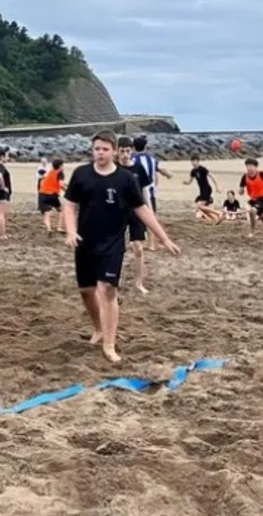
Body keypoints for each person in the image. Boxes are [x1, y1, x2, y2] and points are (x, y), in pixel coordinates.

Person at [63, 131, 180, 364]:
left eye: (105, 149)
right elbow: (69, 205)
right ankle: (98, 328)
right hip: (85, 241)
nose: (100, 153)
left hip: (112, 242)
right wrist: (71, 231)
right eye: (97, 149)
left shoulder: (125, 179)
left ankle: (109, 343)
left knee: (107, 289)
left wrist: (164, 238)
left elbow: (142, 209)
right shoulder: (81, 174)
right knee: (86, 290)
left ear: (114, 151)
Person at [116, 137, 151, 295]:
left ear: (132, 151)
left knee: (138, 249)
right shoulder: (114, 169)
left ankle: (138, 283)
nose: (125, 154)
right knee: (117, 249)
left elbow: (145, 192)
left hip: (136, 212)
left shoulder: (138, 168)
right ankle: (114, 280)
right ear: (117, 151)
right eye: (122, 151)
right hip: (118, 213)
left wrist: (150, 213)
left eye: (127, 151)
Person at [131, 135, 172, 249]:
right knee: (151, 216)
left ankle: (138, 241)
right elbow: (159, 170)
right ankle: (151, 244)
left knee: (136, 218)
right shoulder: (152, 160)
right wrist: (168, 175)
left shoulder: (133, 160)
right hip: (151, 191)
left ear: (133, 147)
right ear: (145, 147)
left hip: (137, 192)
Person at [237, 158, 263, 238]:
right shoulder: (245, 176)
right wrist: (240, 191)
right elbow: (241, 189)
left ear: (256, 167)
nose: (249, 168)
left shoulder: (262, 174)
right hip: (253, 199)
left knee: (252, 211)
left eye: (251, 166)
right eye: (247, 166)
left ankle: (252, 232)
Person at [183, 155, 222, 223]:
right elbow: (190, 181)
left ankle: (218, 213)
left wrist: (217, 187)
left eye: (195, 161)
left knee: (199, 206)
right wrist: (186, 183)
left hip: (207, 189)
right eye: (192, 161)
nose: (193, 163)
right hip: (202, 191)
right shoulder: (193, 171)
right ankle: (215, 218)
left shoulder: (202, 169)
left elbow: (212, 177)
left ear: (198, 161)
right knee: (202, 208)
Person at [38, 158, 65, 232]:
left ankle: (49, 228)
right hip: (52, 195)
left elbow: (44, 181)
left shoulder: (50, 172)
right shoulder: (60, 172)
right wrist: (67, 191)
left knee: (47, 212)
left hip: (42, 194)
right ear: (60, 166)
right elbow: (61, 184)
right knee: (61, 210)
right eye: (63, 165)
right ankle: (59, 227)